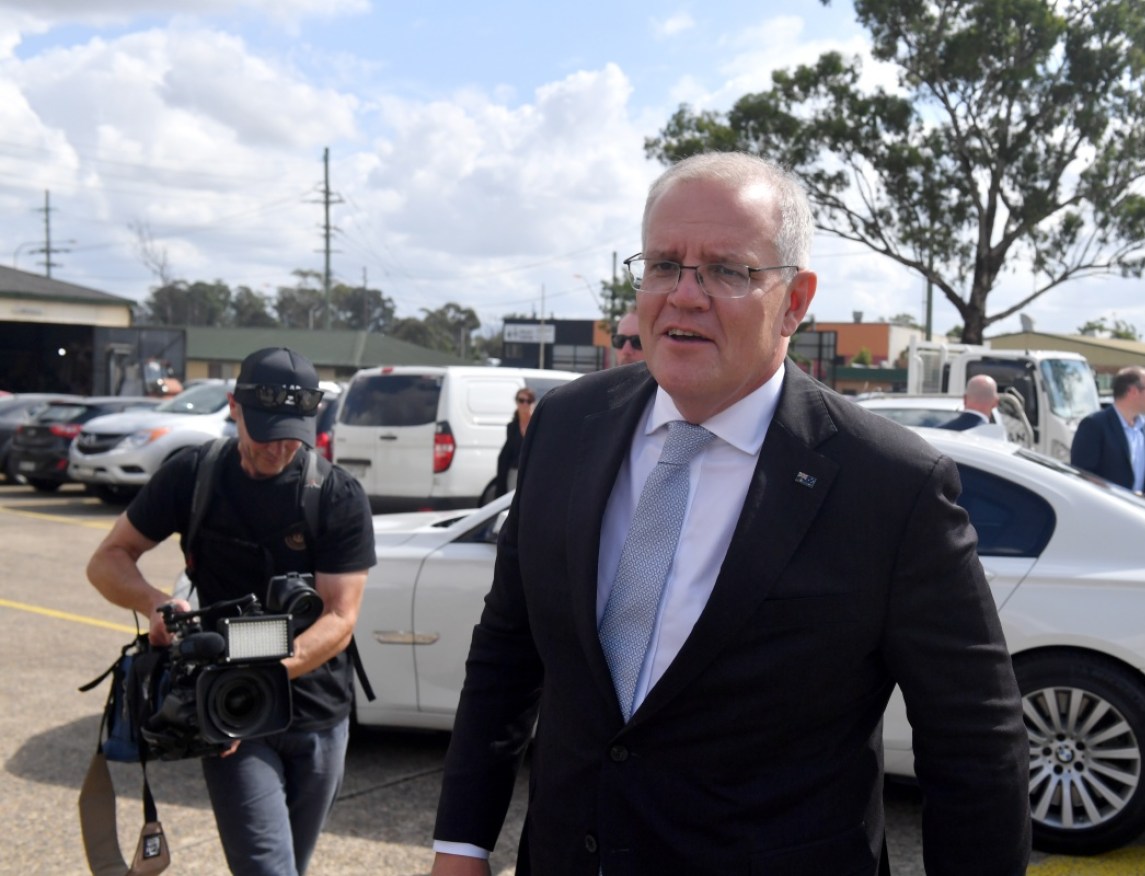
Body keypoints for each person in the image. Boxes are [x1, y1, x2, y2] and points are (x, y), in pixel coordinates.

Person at [430, 152, 1029, 875]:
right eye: (662, 265)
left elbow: (972, 745)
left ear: (796, 301)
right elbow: (507, 649)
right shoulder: (565, 426)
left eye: (726, 270)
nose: (683, 295)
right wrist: (461, 843)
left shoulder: (889, 485)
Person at [86, 346, 376, 876]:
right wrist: (156, 603)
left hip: (317, 713)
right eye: (267, 429)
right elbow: (107, 560)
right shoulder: (193, 476)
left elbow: (340, 617)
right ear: (234, 407)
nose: (280, 447)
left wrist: (263, 673)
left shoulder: (335, 496)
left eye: (294, 431)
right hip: (228, 713)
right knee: (268, 869)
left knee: (290, 864)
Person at [1070, 365, 1145, 499]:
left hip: (1141, 513)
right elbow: (1082, 475)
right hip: (1106, 513)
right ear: (1133, 391)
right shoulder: (1094, 425)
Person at [494, 388, 535, 497]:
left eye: (529, 401)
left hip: (532, 473)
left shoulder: (537, 426)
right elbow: (507, 454)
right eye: (522, 400)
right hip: (515, 472)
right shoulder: (512, 427)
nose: (525, 404)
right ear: (516, 402)